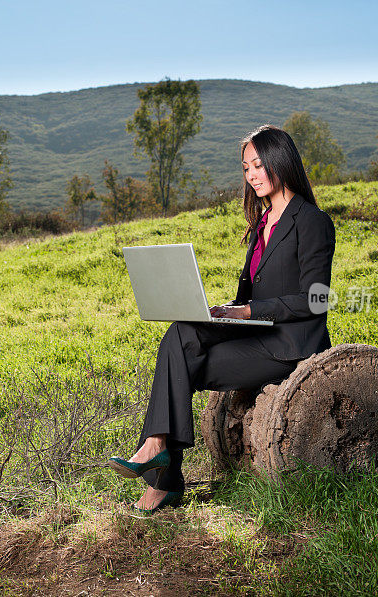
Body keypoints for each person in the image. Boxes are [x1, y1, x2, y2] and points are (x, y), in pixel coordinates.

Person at [108, 125, 336, 514]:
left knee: (182, 362)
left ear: (281, 161)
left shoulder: (312, 221)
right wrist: (223, 312)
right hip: (256, 333)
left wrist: (247, 311)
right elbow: (250, 297)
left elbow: (315, 300)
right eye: (246, 167)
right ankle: (157, 449)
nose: (251, 174)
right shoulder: (262, 224)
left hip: (289, 347)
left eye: (259, 165)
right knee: (183, 334)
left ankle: (163, 475)